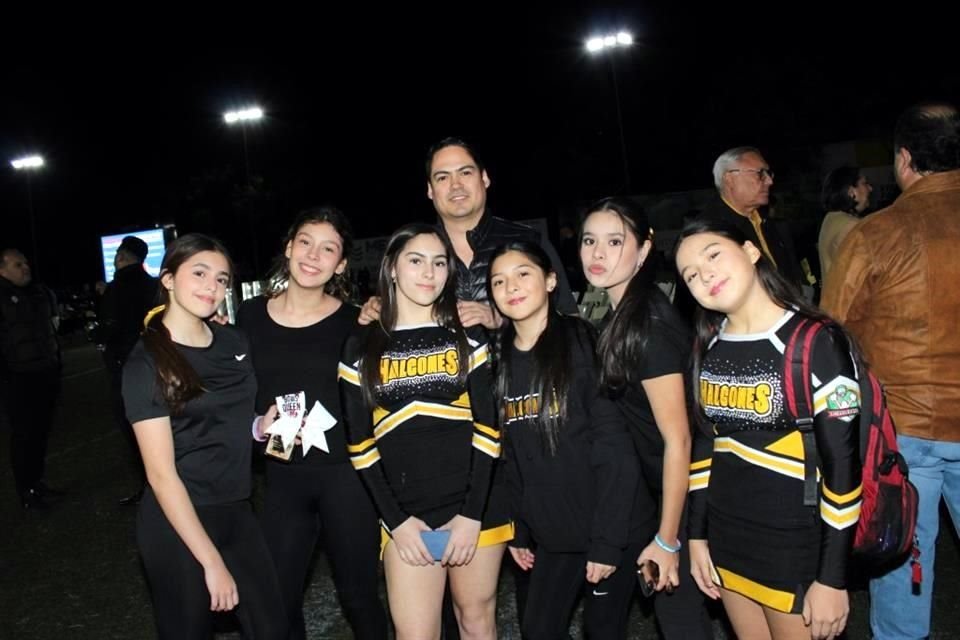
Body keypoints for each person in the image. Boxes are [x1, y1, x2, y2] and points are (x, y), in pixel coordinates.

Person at [676, 219, 862, 640]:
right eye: (689, 274)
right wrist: (698, 537)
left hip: (793, 545)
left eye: (712, 254)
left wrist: (832, 578)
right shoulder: (709, 344)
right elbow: (707, 447)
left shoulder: (817, 342)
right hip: (728, 538)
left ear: (750, 250)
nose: (703, 274)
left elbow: (844, 468)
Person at [821, 102, 960, 640]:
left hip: (906, 432)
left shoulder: (877, 233)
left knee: (903, 560)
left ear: (904, 159)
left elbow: (833, 334)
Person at [339, 224, 510, 640]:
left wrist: (471, 516)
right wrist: (396, 522)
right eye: (415, 260)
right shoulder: (361, 344)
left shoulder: (467, 334)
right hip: (406, 516)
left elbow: (489, 429)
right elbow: (359, 443)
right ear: (392, 268)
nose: (428, 273)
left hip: (476, 507)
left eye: (439, 263)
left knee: (475, 622)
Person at [122, 234, 286, 639]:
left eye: (221, 279)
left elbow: (229, 423)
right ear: (169, 279)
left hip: (236, 509)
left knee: (272, 627)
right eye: (199, 273)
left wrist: (259, 428)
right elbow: (161, 476)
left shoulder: (234, 341)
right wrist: (212, 563)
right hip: (178, 520)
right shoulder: (146, 363)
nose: (211, 287)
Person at [488, 240, 650, 639]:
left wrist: (607, 543)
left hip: (611, 526)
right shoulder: (501, 359)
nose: (511, 287)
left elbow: (615, 447)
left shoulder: (581, 343)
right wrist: (520, 530)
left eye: (522, 274)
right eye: (498, 281)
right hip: (555, 535)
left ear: (549, 281)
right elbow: (514, 455)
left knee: (602, 632)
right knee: (538, 630)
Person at [238, 206, 386, 640]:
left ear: (340, 264)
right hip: (282, 476)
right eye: (305, 242)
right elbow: (232, 395)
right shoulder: (249, 316)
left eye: (328, 248)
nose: (312, 255)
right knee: (276, 598)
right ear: (288, 247)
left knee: (359, 596)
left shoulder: (356, 322)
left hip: (347, 479)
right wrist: (255, 427)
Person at [579, 197, 712, 639]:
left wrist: (668, 537)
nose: (598, 254)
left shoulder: (648, 325)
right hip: (667, 493)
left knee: (682, 621)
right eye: (589, 241)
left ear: (643, 249)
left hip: (691, 499)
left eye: (615, 241)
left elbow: (679, 441)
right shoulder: (623, 314)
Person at [360, 137, 577, 327]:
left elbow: (569, 318)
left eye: (465, 172)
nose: (456, 185)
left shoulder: (530, 241)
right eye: (443, 177)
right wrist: (380, 307)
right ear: (430, 190)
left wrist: (504, 319)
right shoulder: (410, 253)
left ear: (484, 179)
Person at [95, 235, 158, 505]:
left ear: (121, 256)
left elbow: (109, 327)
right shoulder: (154, 285)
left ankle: (150, 487)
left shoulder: (116, 288)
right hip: (157, 362)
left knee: (135, 430)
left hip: (125, 366)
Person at [0, 248, 63, 509]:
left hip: (44, 373)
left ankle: (37, 482)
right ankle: (26, 490)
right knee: (24, 435)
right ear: (2, 270)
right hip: (17, 378)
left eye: (25, 263)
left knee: (40, 432)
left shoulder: (38, 292)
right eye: (17, 264)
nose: (25, 267)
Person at [817, 167, 872, 280]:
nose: (870, 188)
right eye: (865, 183)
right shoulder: (851, 226)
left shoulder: (831, 219)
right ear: (851, 192)